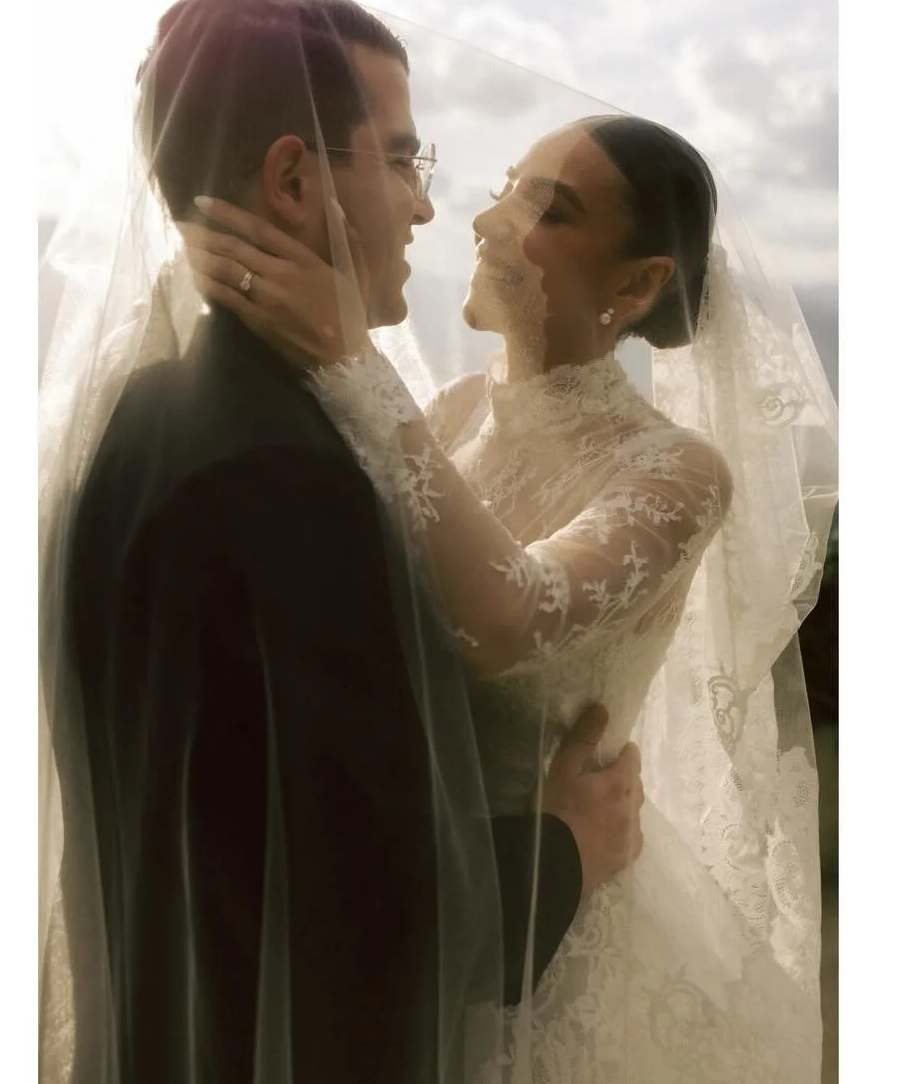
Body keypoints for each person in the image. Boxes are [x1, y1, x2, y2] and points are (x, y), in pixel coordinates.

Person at [37, 0, 650, 1084]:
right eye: (403, 160)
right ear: (293, 179)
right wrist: (568, 845)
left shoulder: (144, 410)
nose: (426, 209)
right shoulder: (294, 476)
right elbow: (371, 902)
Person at [186, 112, 838, 1082]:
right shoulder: (446, 415)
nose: (488, 220)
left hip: (551, 941)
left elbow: (506, 616)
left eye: (547, 209)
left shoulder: (678, 471)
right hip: (404, 902)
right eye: (504, 188)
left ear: (636, 284)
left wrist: (351, 358)